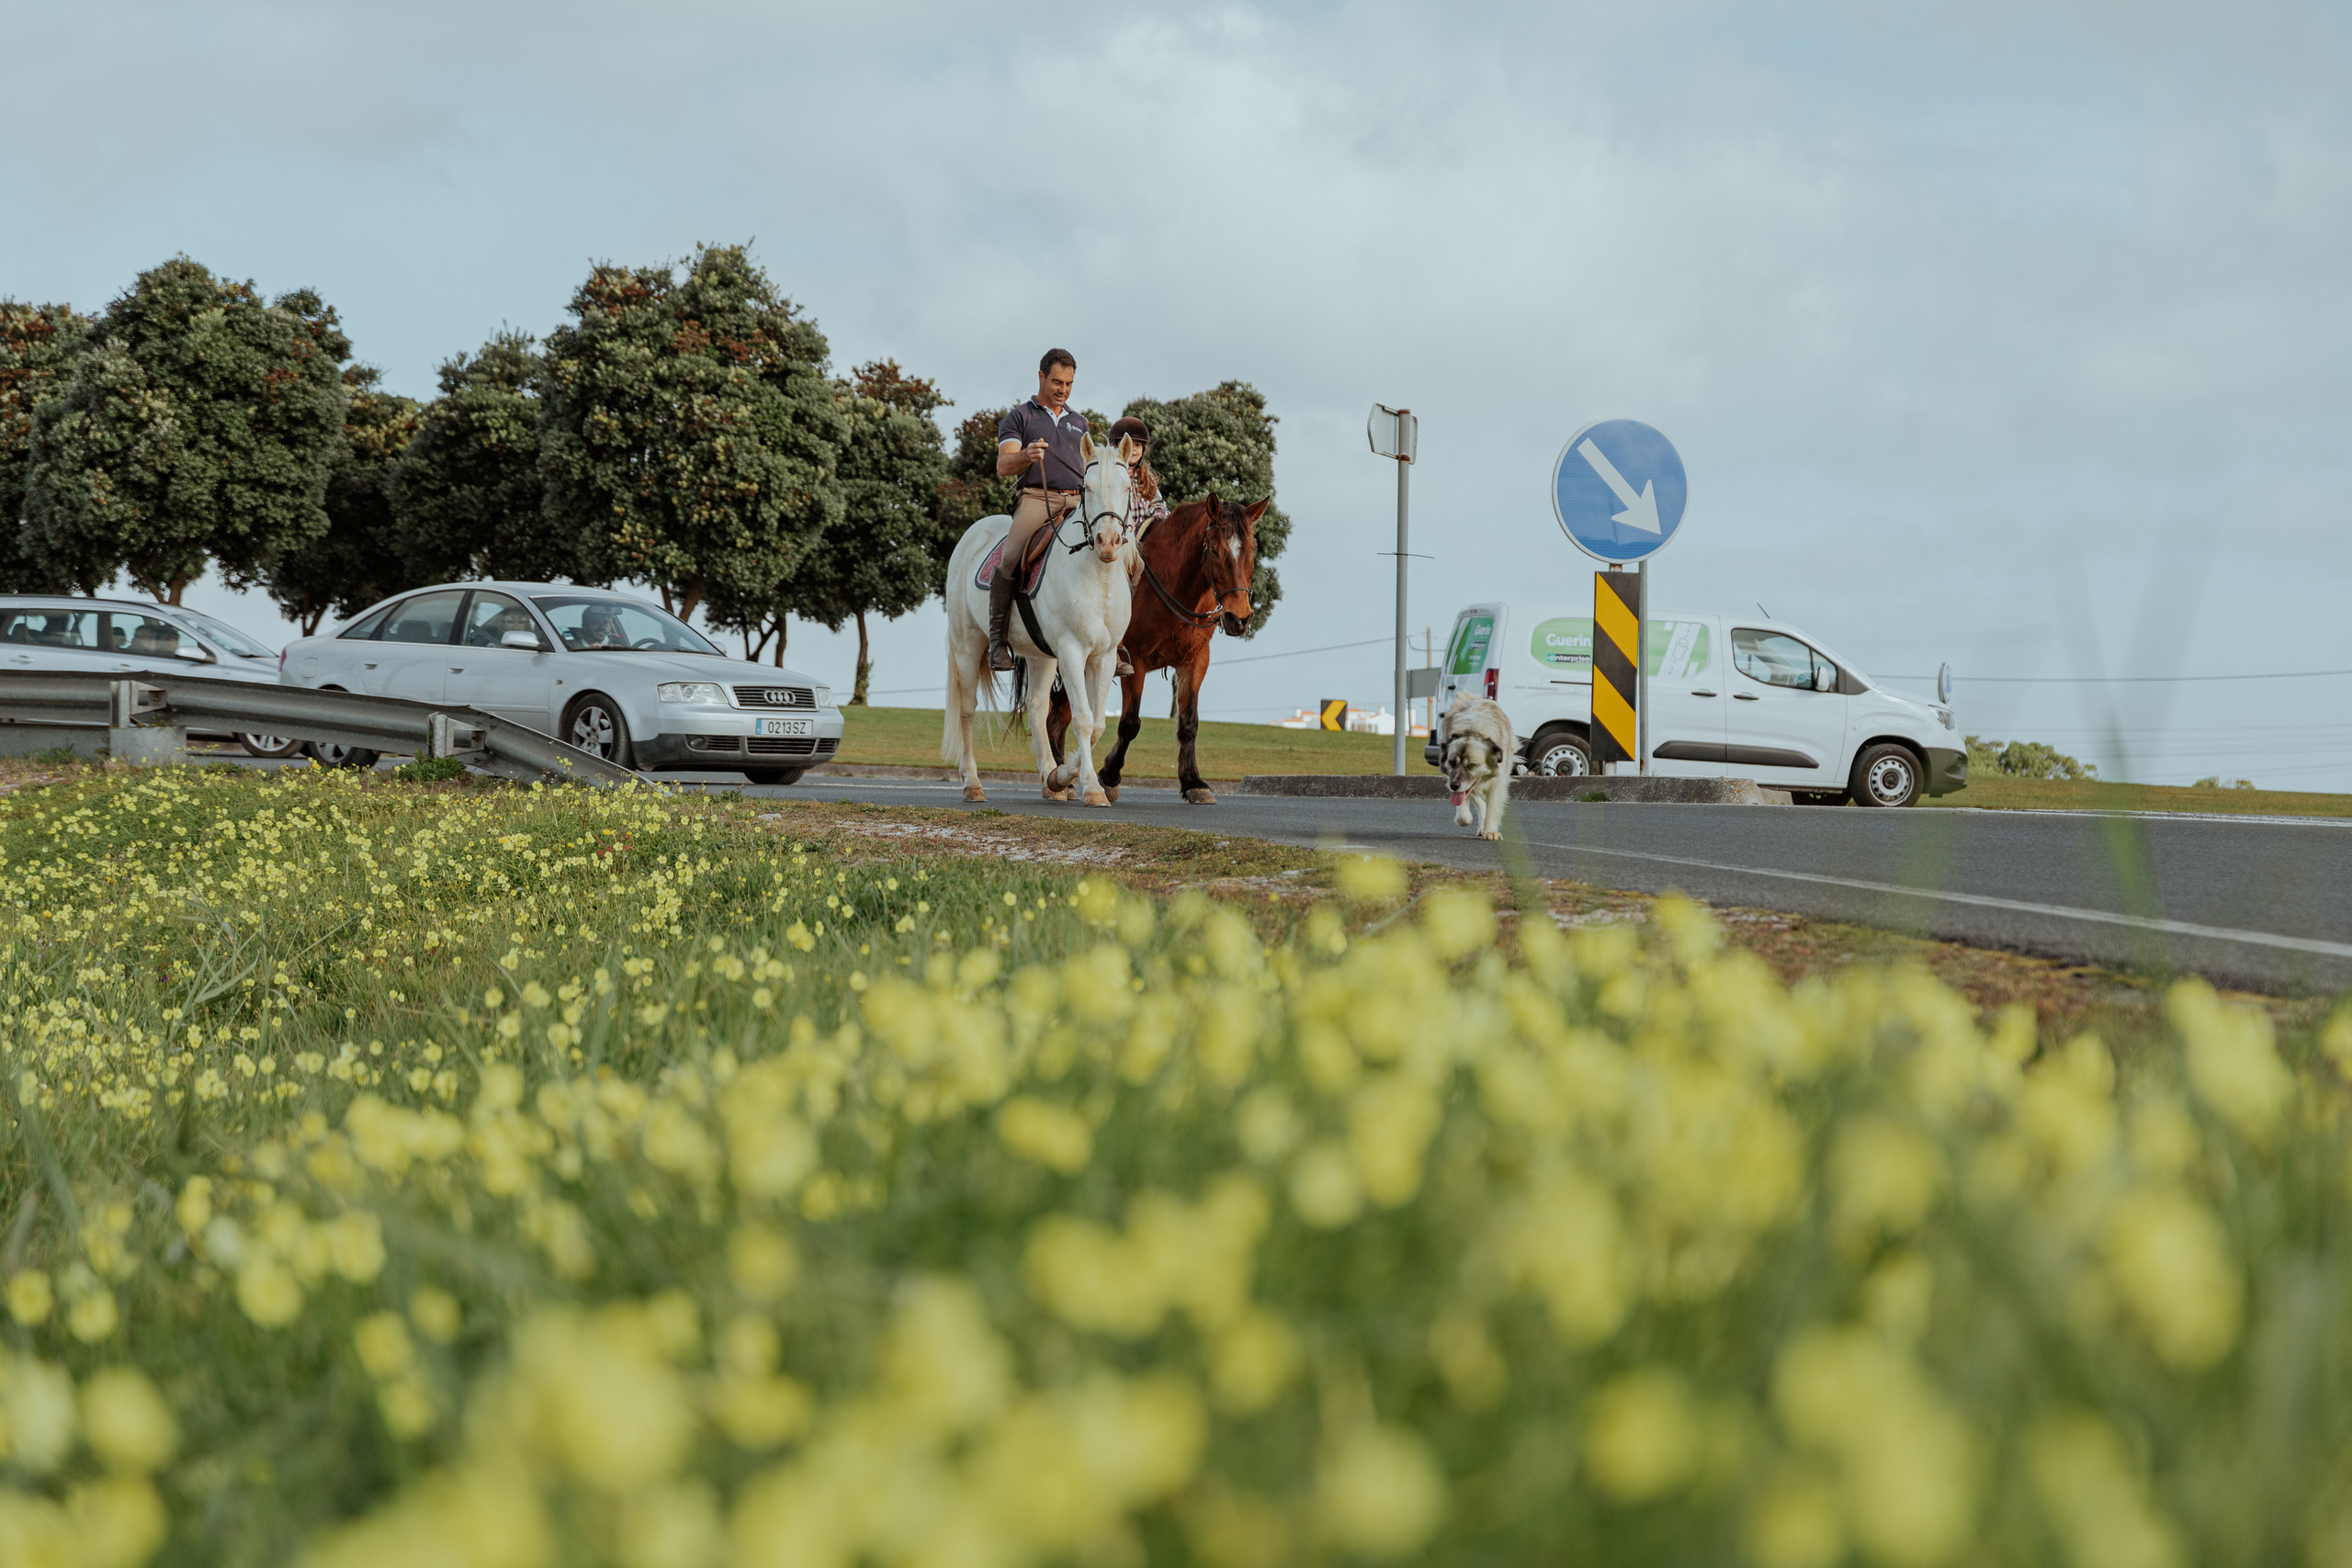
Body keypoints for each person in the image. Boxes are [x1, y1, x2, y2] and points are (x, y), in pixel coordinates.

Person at [989, 348, 1089, 671]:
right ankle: (997, 641)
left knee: (1117, 551)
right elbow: (1003, 465)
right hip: (1036, 498)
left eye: (1069, 383)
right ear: (1042, 377)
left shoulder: (1079, 421)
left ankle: (1114, 643)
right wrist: (1027, 456)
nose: (1063, 389)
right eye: (1057, 381)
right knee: (1011, 558)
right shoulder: (1020, 417)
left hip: (1077, 500)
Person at [1105, 415, 1167, 676]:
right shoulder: (1110, 472)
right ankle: (1120, 636)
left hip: (1145, 535)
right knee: (1136, 565)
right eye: (1128, 445)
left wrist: (1160, 521)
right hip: (1121, 539)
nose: (1134, 451)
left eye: (1139, 447)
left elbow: (1160, 506)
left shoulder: (1146, 479)